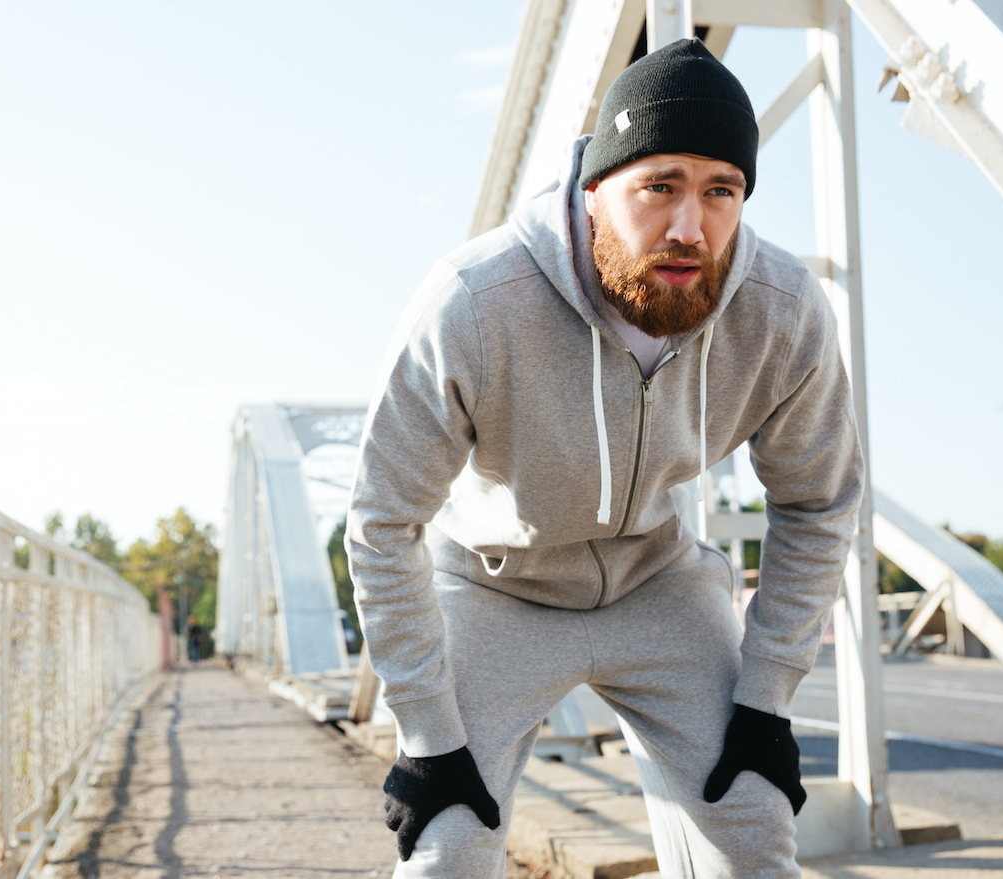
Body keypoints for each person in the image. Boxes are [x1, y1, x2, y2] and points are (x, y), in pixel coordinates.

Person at [346, 38, 863, 878]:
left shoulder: (782, 312)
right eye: (659, 186)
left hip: (660, 584)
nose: (690, 226)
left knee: (755, 824)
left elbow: (818, 502)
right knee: (449, 848)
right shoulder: (475, 302)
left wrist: (765, 700)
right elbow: (380, 521)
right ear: (594, 189)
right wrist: (427, 737)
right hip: (491, 587)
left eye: (720, 191)